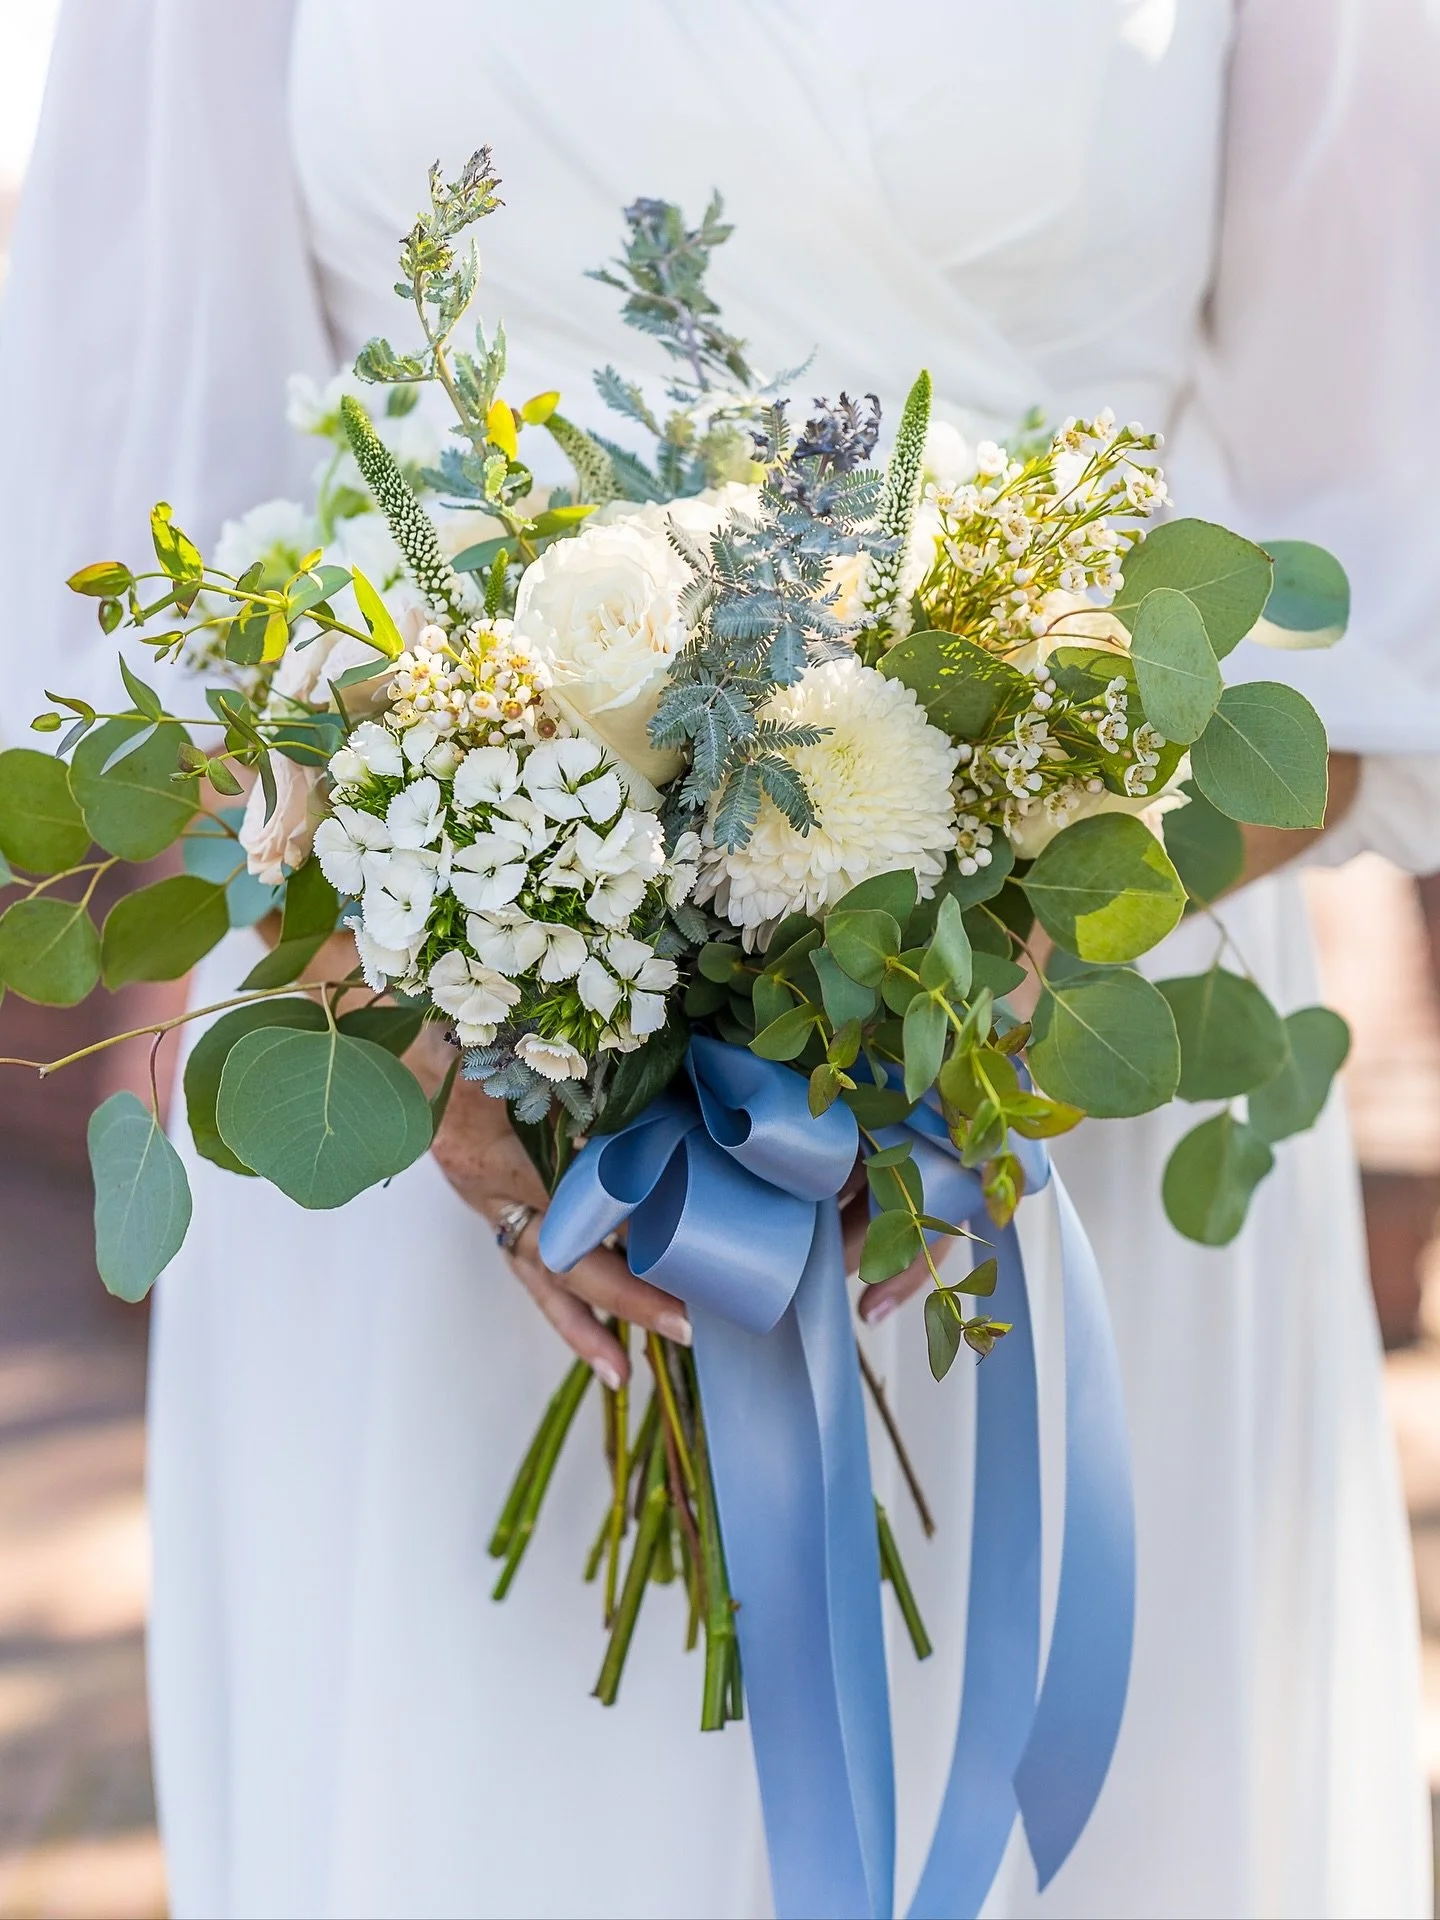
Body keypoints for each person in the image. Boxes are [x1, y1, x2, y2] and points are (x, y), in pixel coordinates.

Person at [2, 2, 1438, 1914]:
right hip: (409, 1128)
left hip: (1063, 1096)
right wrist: (418, 994)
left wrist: (1006, 950)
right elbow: (122, 482)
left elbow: (1392, 536)